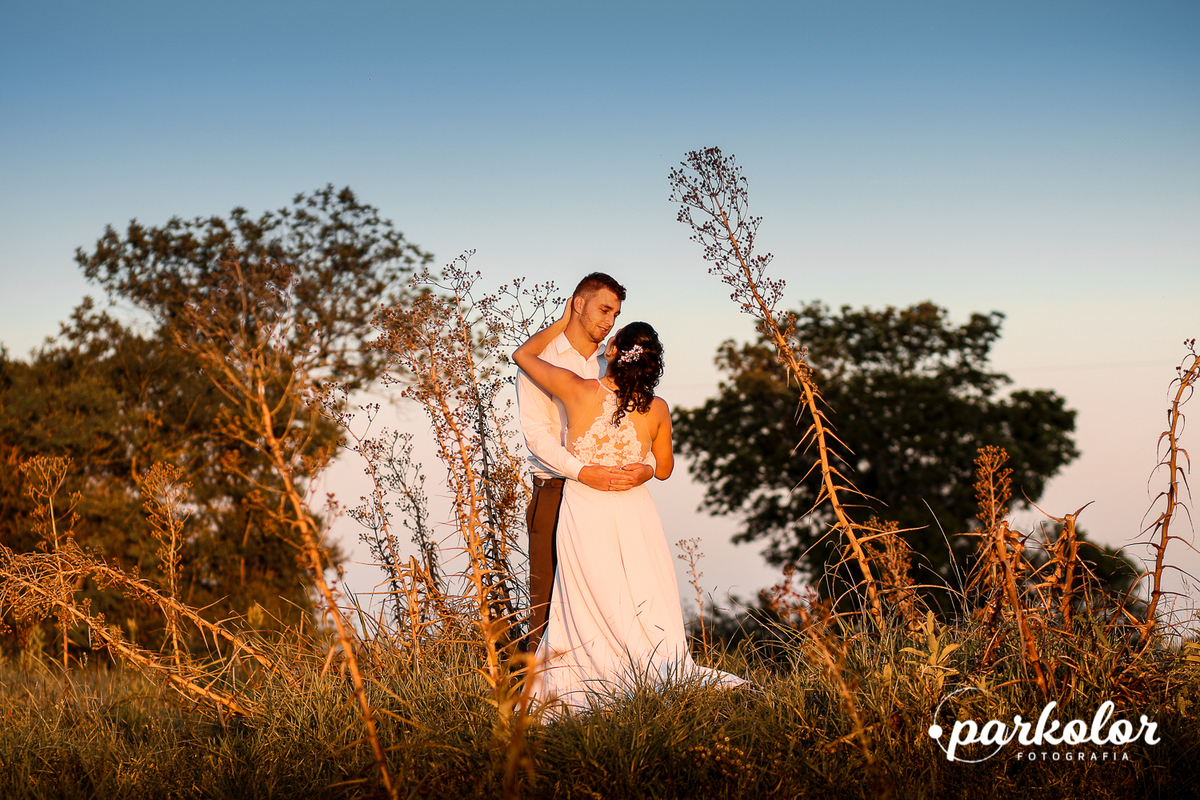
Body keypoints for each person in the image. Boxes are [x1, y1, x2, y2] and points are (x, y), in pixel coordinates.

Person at [513, 300, 744, 712]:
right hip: (634, 509)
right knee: (643, 589)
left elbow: (522, 356)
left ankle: (593, 673)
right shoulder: (658, 409)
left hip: (587, 506)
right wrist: (646, 466)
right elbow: (666, 468)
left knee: (587, 593)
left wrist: (567, 320)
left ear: (615, 352)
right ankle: (650, 665)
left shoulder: (577, 388)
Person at [516, 273, 653, 653]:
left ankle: (615, 687)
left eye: (616, 313)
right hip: (557, 490)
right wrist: (582, 472)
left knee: (611, 596)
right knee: (547, 600)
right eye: (604, 309)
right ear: (578, 304)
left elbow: (641, 421)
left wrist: (649, 465)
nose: (610, 320)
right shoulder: (541, 360)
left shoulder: (615, 357)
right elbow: (538, 436)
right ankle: (539, 697)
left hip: (612, 497)